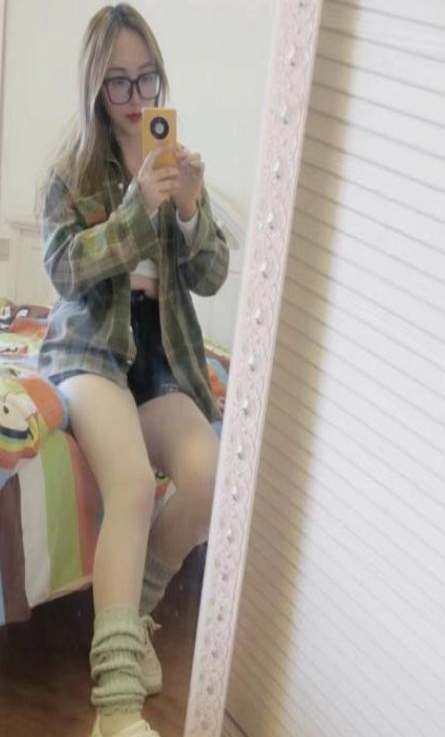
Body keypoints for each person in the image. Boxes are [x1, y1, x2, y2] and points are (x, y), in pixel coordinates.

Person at [37, 4, 229, 736]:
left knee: (209, 476)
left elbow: (210, 274)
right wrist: (132, 207)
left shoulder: (173, 163)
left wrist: (188, 209)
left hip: (160, 353)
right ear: (95, 86)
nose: (136, 96)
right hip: (90, 347)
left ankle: (133, 613)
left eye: (147, 77)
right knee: (131, 485)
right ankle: (114, 708)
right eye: (118, 82)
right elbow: (64, 270)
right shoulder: (71, 173)